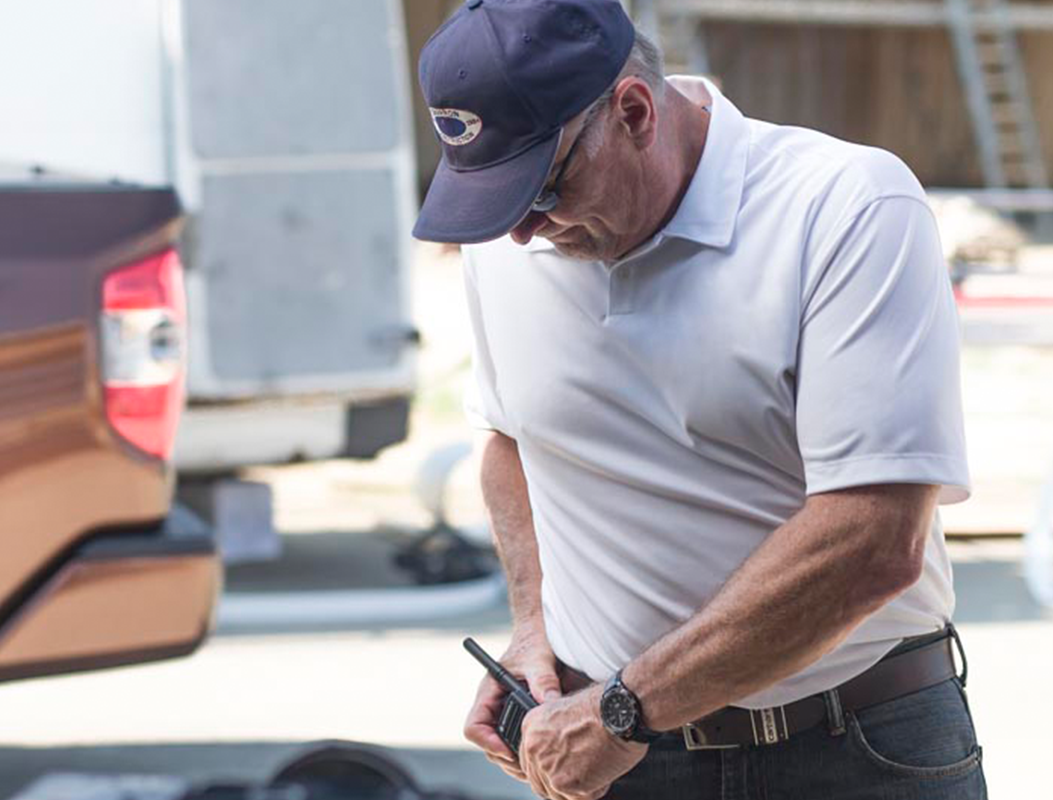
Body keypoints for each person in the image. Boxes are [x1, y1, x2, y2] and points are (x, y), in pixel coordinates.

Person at [411, 1, 982, 798]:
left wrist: (624, 711)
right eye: (496, 198)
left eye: (541, 189)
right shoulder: (516, 239)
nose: (521, 233)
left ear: (633, 113)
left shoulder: (844, 206)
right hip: (616, 748)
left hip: (850, 747)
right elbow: (513, 439)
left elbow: (874, 536)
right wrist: (535, 630)